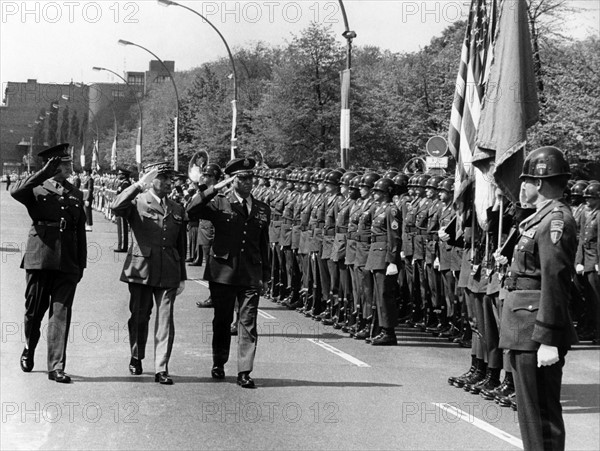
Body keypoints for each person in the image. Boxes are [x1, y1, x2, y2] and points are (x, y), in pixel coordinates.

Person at [498, 146, 578, 451]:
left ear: (540, 183)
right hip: (524, 328)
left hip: (535, 331)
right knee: (531, 417)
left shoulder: (555, 222)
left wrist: (547, 338)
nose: (522, 187)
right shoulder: (538, 219)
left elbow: (555, 282)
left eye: (526, 181)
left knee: (542, 419)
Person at [186, 157, 270, 389]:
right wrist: (215, 188)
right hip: (222, 272)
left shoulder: (262, 208)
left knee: (248, 323)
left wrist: (266, 275)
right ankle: (219, 361)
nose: (247, 183)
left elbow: (264, 244)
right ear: (232, 181)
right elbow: (192, 209)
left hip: (250, 274)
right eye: (242, 178)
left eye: (250, 178)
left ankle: (244, 371)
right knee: (222, 321)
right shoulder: (219, 202)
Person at [10, 143, 87, 384]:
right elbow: (14, 191)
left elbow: (79, 231)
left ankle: (56, 366)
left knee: (61, 313)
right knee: (34, 312)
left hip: (68, 262)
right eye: (63, 164)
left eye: (68, 164)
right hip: (40, 258)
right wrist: (43, 172)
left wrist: (81, 264)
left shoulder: (76, 193)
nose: (69, 168)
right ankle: (28, 347)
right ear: (51, 165)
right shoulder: (35, 188)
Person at [111, 162, 187, 385]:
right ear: (151, 179)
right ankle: (136, 355)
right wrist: (138, 185)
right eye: (162, 178)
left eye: (169, 179)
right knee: (140, 316)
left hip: (169, 270)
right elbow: (116, 207)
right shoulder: (137, 200)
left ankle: (161, 367)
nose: (167, 183)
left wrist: (182, 275)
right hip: (141, 268)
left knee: (166, 320)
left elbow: (180, 245)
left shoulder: (176, 207)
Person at [114, 168, 132, 253]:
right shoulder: (123, 183)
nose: (118, 175)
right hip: (120, 207)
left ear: (123, 175)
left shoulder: (126, 184)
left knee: (122, 227)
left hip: (122, 208)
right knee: (120, 226)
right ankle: (121, 245)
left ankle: (122, 246)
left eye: (119, 174)